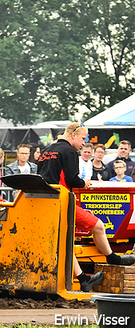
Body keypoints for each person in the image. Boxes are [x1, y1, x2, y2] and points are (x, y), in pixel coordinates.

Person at [37, 122, 135, 292]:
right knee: (98, 225)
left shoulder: (47, 151)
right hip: (62, 201)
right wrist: (85, 183)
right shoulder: (69, 151)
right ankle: (112, 258)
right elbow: (72, 180)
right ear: (73, 135)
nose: (84, 143)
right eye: (83, 138)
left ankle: (84, 279)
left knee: (64, 243)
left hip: (46, 201)